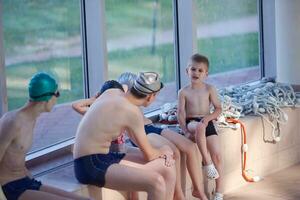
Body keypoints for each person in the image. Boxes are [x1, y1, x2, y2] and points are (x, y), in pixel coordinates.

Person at [73, 72, 176, 200]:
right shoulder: (132, 112)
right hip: (90, 165)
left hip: (99, 158)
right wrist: (164, 149)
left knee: (167, 166)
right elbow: (149, 155)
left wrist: (161, 153)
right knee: (156, 182)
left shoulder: (113, 92)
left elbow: (139, 143)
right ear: (150, 97)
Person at [118, 72, 209, 200]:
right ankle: (178, 195)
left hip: (151, 127)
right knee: (174, 152)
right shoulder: (125, 104)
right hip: (143, 132)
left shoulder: (135, 98)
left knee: (190, 147)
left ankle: (198, 190)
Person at [0, 72, 89, 200]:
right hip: (11, 187)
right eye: (57, 94)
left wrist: (31, 181)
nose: (57, 98)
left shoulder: (31, 120)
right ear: (47, 98)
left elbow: (16, 159)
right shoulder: (12, 122)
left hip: (26, 181)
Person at [177, 53, 224, 200]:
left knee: (217, 155)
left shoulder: (209, 89)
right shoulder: (183, 92)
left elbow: (218, 109)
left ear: (206, 74)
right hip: (192, 123)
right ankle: (207, 163)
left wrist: (208, 118)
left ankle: (219, 191)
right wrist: (184, 130)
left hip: (206, 121)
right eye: (193, 69)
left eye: (200, 70)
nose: (196, 73)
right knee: (199, 127)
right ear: (187, 71)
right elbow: (180, 113)